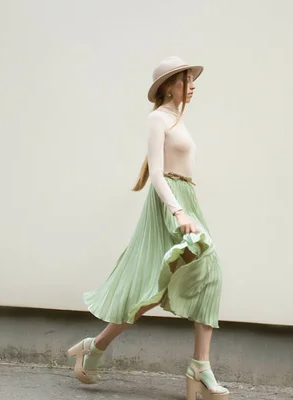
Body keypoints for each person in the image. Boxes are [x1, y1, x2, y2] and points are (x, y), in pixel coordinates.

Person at [67, 56, 229, 399]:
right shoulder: (158, 119)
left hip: (187, 197)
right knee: (152, 286)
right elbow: (157, 173)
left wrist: (187, 207)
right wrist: (178, 212)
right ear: (170, 85)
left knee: (205, 274)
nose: (193, 85)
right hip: (169, 205)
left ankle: (198, 365)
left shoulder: (179, 120)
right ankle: (95, 347)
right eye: (186, 80)